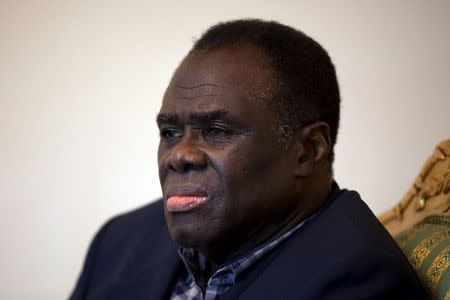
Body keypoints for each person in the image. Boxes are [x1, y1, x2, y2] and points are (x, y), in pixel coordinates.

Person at [70, 19, 427, 300]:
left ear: (308, 151)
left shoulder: (360, 282)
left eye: (216, 131)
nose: (179, 155)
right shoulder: (120, 239)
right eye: (170, 133)